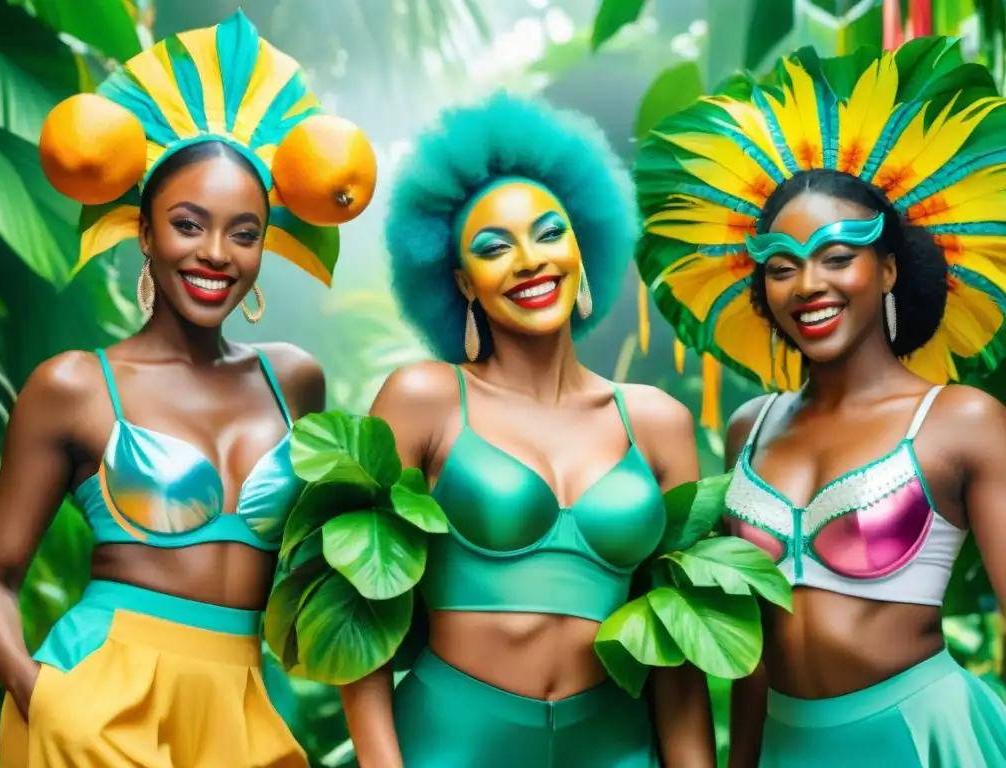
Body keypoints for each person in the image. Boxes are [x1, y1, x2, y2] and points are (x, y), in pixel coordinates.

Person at [0, 11, 375, 767]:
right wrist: (46, 699)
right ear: (145, 233)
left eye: (244, 232)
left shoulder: (294, 379)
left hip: (245, 707)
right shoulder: (74, 386)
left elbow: (313, 568)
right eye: (189, 224)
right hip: (99, 705)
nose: (215, 254)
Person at [633, 35, 1006, 767]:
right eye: (782, 267)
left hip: (922, 739)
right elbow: (753, 638)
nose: (810, 285)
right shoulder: (751, 428)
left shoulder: (962, 421)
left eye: (838, 257)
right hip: (785, 745)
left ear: (889, 267)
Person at [332, 91, 717, 767]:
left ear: (583, 247)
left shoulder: (659, 422)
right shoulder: (425, 400)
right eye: (493, 247)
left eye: (548, 233)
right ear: (463, 283)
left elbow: (678, 656)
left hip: (615, 748)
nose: (529, 260)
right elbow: (361, 609)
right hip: (451, 743)